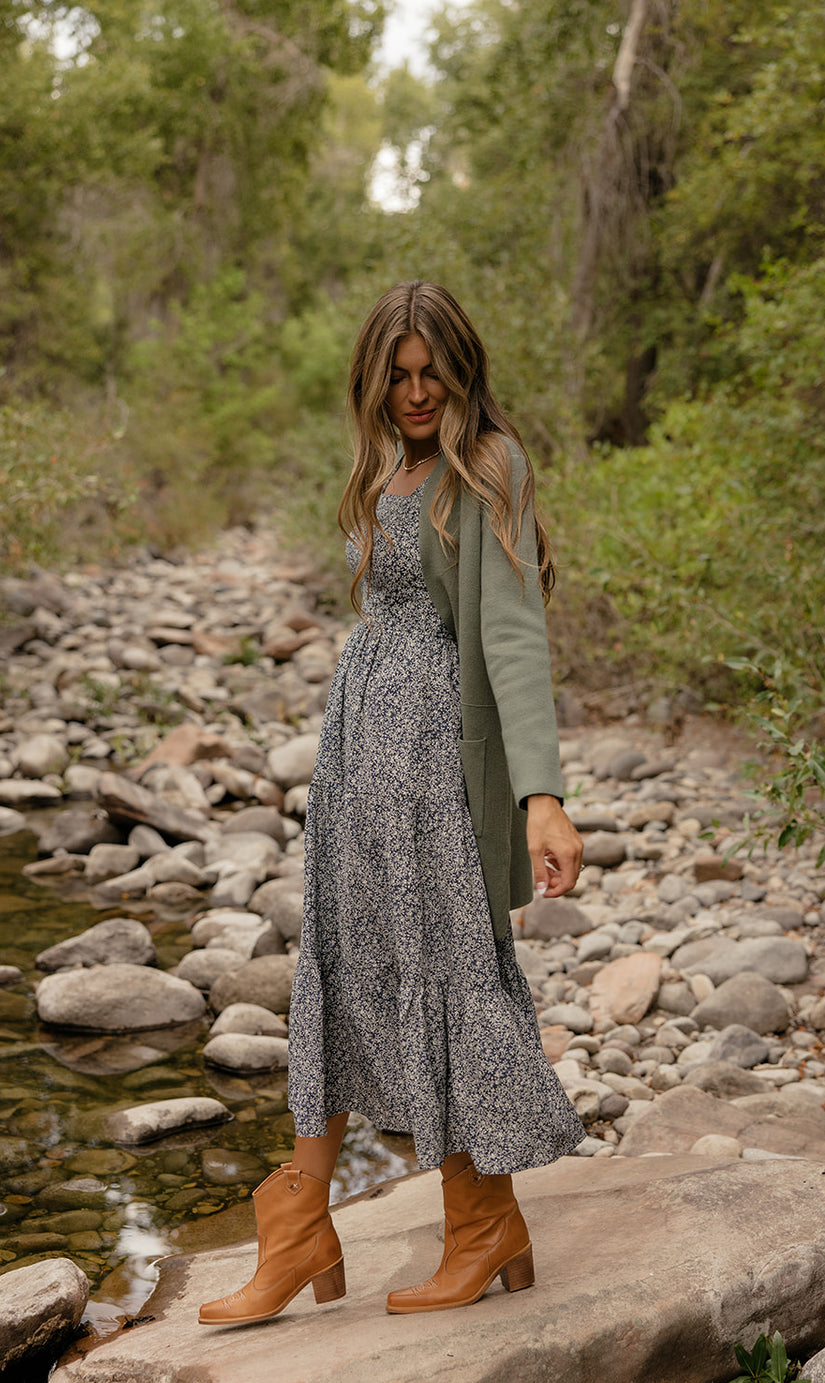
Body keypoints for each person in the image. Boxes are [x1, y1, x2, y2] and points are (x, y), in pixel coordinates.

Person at [198, 281, 585, 1328]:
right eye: (398, 377)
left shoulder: (489, 467)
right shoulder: (386, 466)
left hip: (432, 775)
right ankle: (302, 1219)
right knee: (343, 960)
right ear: (374, 380)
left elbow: (510, 634)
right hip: (357, 756)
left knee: (445, 971)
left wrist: (540, 797)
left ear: (462, 371)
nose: (417, 393)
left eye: (433, 374)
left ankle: (479, 1222)